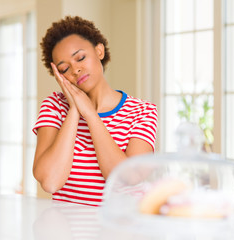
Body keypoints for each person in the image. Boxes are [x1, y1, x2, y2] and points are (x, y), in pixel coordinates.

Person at [32, 16, 158, 206]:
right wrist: (74, 109)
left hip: (119, 231)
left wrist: (90, 114)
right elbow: (50, 182)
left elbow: (127, 178)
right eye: (65, 68)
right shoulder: (55, 107)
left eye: (80, 58)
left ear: (99, 51)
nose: (76, 70)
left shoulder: (143, 111)